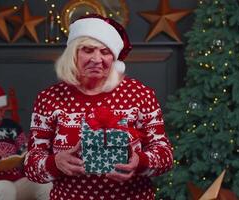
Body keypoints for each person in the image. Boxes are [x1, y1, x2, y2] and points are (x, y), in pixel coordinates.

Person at [24, 14, 173, 200]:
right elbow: (31, 166)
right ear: (73, 54)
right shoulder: (50, 98)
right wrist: (54, 163)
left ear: (114, 58)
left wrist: (140, 162)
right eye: (88, 50)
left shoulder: (140, 94)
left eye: (105, 52)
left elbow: (165, 155)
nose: (96, 59)